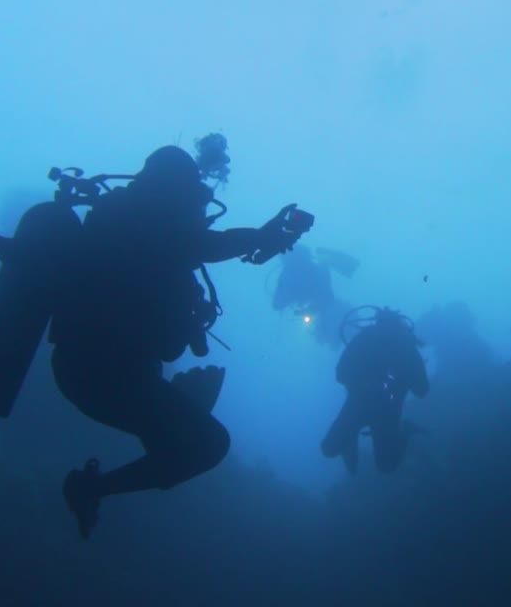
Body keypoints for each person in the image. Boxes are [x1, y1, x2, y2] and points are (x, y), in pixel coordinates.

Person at [50, 145, 306, 539]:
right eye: (193, 199)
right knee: (207, 444)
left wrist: (191, 318)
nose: (199, 211)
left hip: (108, 373)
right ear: (170, 193)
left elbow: (170, 328)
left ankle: (103, 479)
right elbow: (202, 245)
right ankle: (88, 489)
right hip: (96, 374)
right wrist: (261, 235)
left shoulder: (145, 233)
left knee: (184, 437)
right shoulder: (132, 223)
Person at [321, 306, 430, 474]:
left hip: (388, 412)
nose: (385, 337)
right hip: (357, 405)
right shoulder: (365, 340)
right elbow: (341, 374)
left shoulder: (406, 348)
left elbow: (422, 389)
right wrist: (366, 384)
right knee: (328, 449)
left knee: (386, 466)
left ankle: (406, 430)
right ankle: (349, 440)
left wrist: (402, 379)